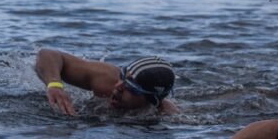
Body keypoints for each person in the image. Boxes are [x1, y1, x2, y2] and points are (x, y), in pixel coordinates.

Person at [35, 49, 177, 116]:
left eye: (131, 89)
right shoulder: (106, 78)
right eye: (123, 78)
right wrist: (55, 84)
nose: (118, 86)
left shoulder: (164, 115)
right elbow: (48, 54)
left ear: (150, 101)